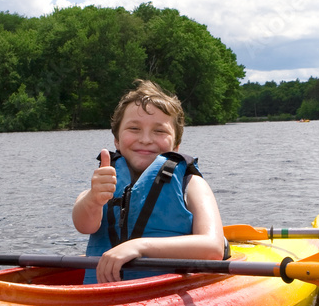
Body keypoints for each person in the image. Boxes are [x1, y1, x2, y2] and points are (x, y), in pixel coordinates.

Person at [73, 80, 227, 283]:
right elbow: (84, 225)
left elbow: (213, 248)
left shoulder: (191, 184)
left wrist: (139, 246)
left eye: (160, 131)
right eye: (134, 129)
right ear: (116, 140)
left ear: (176, 145)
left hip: (165, 294)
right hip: (101, 296)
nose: (145, 139)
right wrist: (93, 199)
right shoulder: (103, 182)